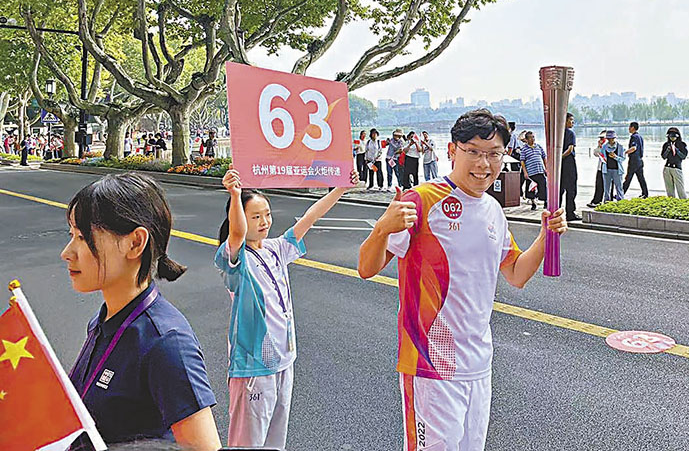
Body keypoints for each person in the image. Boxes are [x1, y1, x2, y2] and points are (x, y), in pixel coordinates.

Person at [357, 109, 567, 451]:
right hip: (430, 366)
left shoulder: (493, 211)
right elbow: (367, 268)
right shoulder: (421, 201)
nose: (484, 164)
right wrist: (383, 227)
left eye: (493, 154)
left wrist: (546, 236)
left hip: (479, 365)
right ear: (452, 150)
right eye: (473, 152)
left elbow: (515, 273)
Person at [62, 173, 220, 451]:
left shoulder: (166, 342)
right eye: (72, 235)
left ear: (135, 242)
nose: (67, 252)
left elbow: (202, 448)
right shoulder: (102, 322)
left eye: (83, 237)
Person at [215, 167, 356, 448]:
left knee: (275, 441)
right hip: (254, 368)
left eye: (266, 214)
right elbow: (237, 232)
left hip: (284, 360)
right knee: (249, 443)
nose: (264, 221)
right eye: (255, 216)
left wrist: (340, 189)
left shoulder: (276, 248)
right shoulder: (234, 260)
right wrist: (235, 195)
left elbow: (309, 218)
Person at [520, 130, 548, 211]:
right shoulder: (524, 149)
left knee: (543, 186)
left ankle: (545, 201)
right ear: (526, 139)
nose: (532, 139)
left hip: (540, 170)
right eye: (530, 138)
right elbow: (522, 161)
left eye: (533, 137)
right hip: (530, 172)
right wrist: (525, 172)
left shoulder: (538, 146)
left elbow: (544, 157)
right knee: (530, 188)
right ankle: (533, 203)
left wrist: (546, 168)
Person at [560, 113, 579, 221]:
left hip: (559, 165)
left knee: (560, 189)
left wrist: (557, 159)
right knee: (571, 189)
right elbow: (570, 149)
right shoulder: (570, 133)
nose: (572, 122)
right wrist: (562, 157)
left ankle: (555, 211)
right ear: (565, 121)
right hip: (568, 163)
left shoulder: (557, 133)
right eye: (571, 120)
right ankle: (570, 213)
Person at [622, 121, 648, 198]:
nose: (628, 129)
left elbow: (633, 148)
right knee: (641, 178)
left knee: (628, 178)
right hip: (639, 160)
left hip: (634, 161)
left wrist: (624, 153)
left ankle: (621, 194)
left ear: (633, 127)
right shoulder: (639, 137)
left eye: (629, 127)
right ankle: (645, 193)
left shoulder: (634, 137)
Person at [598, 130, 626, 201]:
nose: (611, 140)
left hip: (617, 170)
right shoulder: (604, 147)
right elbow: (599, 155)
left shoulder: (620, 147)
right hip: (606, 170)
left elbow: (623, 158)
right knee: (606, 188)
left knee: (619, 188)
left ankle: (621, 202)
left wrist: (615, 157)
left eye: (612, 138)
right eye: (609, 138)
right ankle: (606, 202)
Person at [661, 127, 688, 198]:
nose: (672, 138)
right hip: (667, 167)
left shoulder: (682, 144)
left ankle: (684, 204)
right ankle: (672, 203)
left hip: (677, 167)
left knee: (680, 189)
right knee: (669, 190)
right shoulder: (666, 145)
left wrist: (677, 150)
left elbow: (683, 156)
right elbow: (663, 157)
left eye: (674, 136)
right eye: (670, 136)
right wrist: (668, 150)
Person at [588, 131, 607, 207]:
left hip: (608, 169)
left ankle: (607, 201)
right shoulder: (600, 146)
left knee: (608, 186)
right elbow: (596, 153)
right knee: (599, 184)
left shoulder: (609, 146)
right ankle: (596, 200)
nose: (601, 140)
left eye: (602, 138)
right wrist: (599, 146)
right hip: (600, 168)